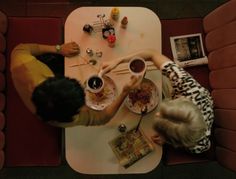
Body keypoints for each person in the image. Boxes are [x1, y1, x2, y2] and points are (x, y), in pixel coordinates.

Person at [100, 49, 214, 154]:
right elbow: (152, 54)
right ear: (180, 100)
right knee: (160, 75)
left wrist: (167, 140)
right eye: (163, 112)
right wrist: (119, 60)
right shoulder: (185, 84)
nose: (157, 113)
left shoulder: (198, 146)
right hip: (181, 93)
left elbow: (198, 146)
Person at [10, 42, 141, 128]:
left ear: (55, 79)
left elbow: (21, 48)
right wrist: (125, 91)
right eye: (80, 107)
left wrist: (59, 49)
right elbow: (102, 118)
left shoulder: (20, 60)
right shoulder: (61, 119)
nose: (85, 109)